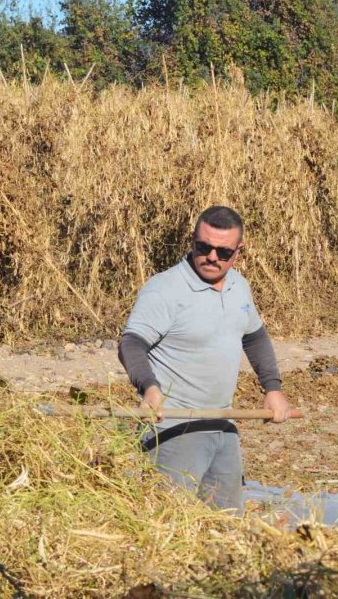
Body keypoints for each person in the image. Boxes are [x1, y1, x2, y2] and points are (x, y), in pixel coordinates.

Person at [118, 206, 292, 513]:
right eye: (204, 247)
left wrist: (273, 388)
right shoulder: (165, 290)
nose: (212, 257)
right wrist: (150, 387)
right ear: (192, 241)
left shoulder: (239, 286)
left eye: (223, 252)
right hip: (174, 430)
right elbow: (131, 342)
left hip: (223, 426)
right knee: (171, 524)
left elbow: (254, 336)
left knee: (226, 522)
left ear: (238, 252)